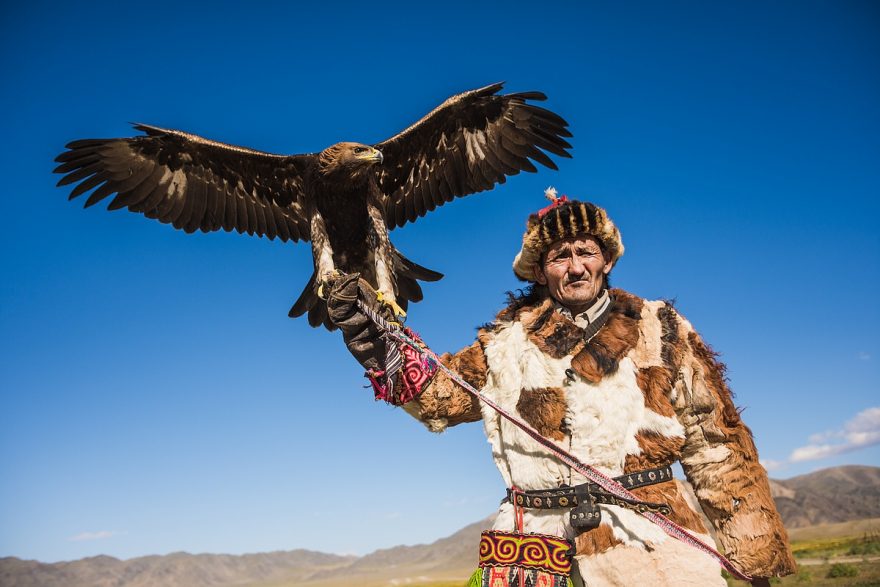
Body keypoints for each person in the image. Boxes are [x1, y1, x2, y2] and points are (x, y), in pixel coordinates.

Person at [326, 192, 796, 586]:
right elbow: (438, 400)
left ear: (607, 258)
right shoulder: (502, 344)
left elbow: (717, 443)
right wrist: (373, 341)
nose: (575, 267)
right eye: (559, 256)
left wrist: (753, 558)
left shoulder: (661, 329)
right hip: (530, 554)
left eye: (586, 251)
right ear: (540, 271)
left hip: (651, 548)